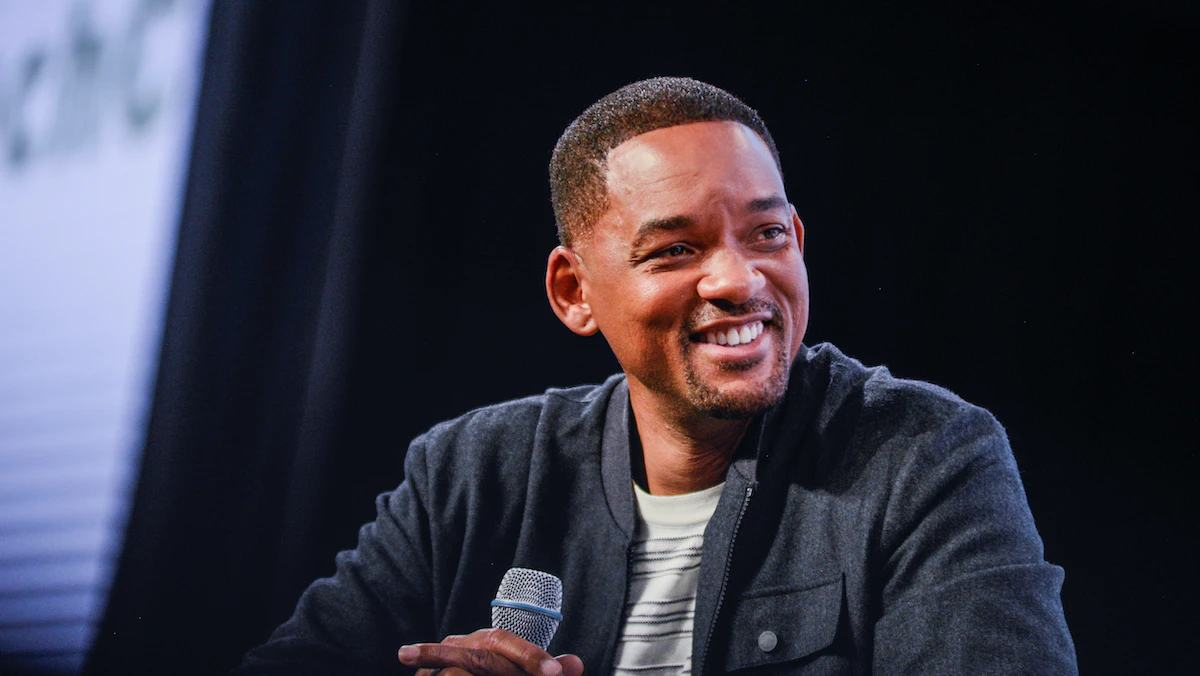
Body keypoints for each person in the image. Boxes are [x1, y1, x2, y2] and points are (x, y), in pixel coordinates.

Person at [235, 77, 1076, 675]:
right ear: (574, 293)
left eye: (766, 235)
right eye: (675, 250)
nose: (739, 279)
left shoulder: (924, 457)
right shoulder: (471, 473)